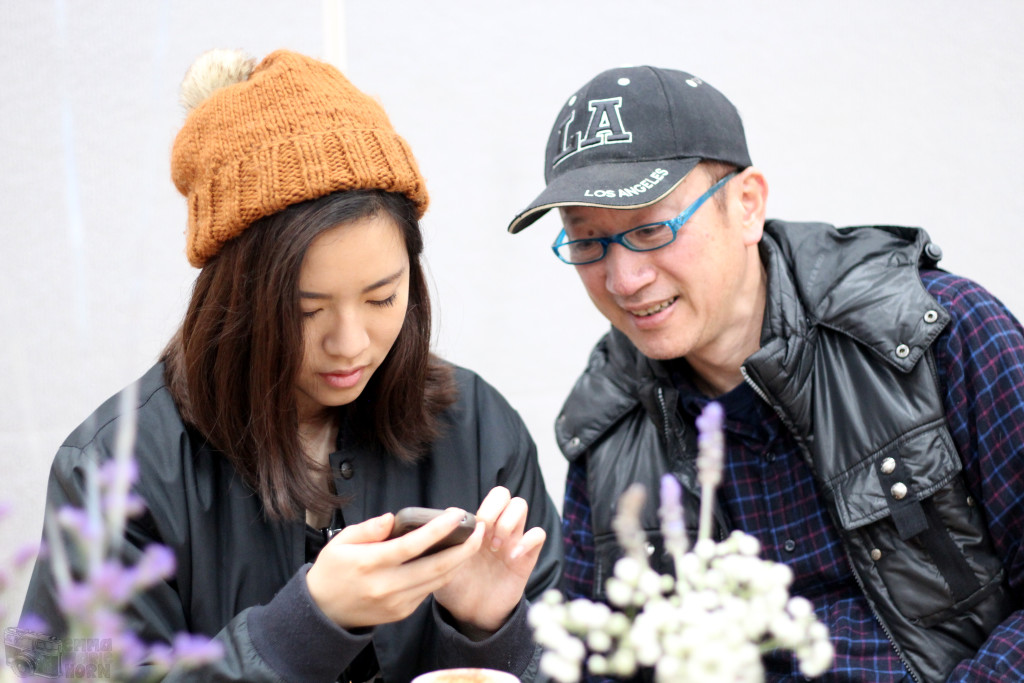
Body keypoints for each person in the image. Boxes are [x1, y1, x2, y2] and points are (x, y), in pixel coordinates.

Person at [22, 48, 562, 682]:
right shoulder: (115, 470)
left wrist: (489, 629)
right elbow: (53, 672)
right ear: (233, 298)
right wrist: (305, 626)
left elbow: (576, 655)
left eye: (383, 297)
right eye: (306, 311)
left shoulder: (475, 426)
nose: (351, 343)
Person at [507, 65, 1024, 682]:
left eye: (650, 229)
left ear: (746, 205)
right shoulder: (607, 421)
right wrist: (493, 622)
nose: (624, 281)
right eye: (588, 241)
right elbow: (603, 665)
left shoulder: (932, 331)